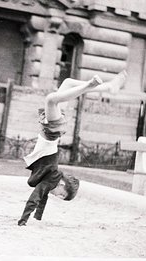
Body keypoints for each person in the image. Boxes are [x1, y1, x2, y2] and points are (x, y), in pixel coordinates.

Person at [18, 71, 127, 226]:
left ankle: (109, 87)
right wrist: (23, 221)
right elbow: (35, 196)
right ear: (62, 185)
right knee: (50, 100)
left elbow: (42, 197)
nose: (58, 196)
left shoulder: (52, 179)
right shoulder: (52, 180)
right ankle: (91, 86)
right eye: (62, 195)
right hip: (51, 132)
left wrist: (38, 217)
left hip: (53, 131)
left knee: (68, 82)